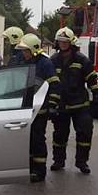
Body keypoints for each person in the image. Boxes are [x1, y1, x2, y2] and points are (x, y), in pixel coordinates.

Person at [49, 27, 98, 174]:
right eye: (60, 41)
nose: (63, 44)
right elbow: (49, 83)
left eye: (65, 41)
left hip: (80, 105)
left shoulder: (82, 60)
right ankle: (58, 161)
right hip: (61, 105)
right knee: (59, 136)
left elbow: (92, 81)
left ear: (71, 43)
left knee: (84, 134)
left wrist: (97, 100)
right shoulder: (53, 60)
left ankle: (82, 162)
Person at [15, 33, 60, 182]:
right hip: (25, 109)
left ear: (33, 49)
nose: (23, 53)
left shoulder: (45, 63)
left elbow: (54, 85)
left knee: (37, 139)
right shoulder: (22, 61)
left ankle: (39, 172)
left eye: (25, 50)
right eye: (22, 50)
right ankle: (28, 168)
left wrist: (52, 105)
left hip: (40, 110)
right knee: (25, 139)